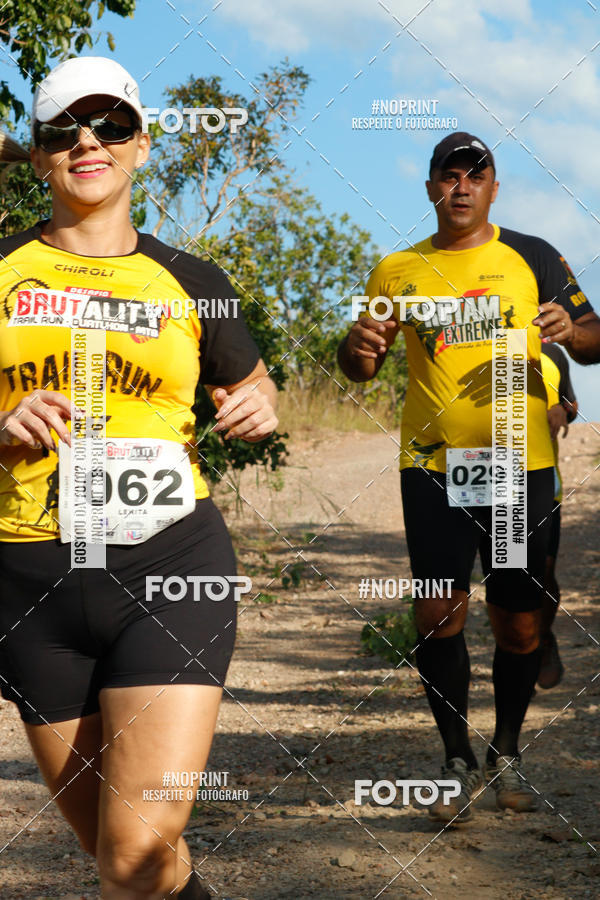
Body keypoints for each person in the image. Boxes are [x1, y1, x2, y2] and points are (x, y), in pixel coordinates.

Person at [0, 56, 278, 898]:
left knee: (134, 852)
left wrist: (260, 403)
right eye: (63, 130)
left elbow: (250, 381)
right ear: (42, 154)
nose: (88, 142)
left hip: (168, 564)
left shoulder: (194, 280)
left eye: (110, 124)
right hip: (28, 583)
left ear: (142, 146)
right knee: (130, 864)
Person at [338, 132, 600, 824]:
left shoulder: (533, 256)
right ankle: (455, 756)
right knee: (436, 614)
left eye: (474, 175)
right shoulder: (398, 270)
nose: (460, 186)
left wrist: (571, 333)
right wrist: (357, 349)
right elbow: (361, 363)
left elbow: (595, 337)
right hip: (430, 465)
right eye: (448, 176)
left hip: (518, 466)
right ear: (431, 189)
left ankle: (506, 751)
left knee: (518, 624)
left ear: (493, 188)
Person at [538, 342, 578, 689]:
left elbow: (571, 404)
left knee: (543, 570)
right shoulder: (467, 340)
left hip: (540, 477)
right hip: (479, 476)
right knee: (505, 573)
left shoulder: (552, 352)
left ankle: (543, 638)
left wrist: (562, 409)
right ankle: (517, 649)